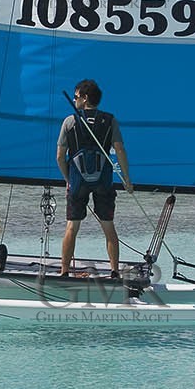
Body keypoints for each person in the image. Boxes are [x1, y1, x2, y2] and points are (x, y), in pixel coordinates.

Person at [58, 79, 133, 276]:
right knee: (108, 226)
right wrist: (127, 180)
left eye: (76, 97)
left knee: (72, 227)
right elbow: (120, 149)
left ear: (84, 98)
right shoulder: (110, 120)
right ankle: (114, 271)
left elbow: (59, 156)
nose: (74, 101)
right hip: (103, 181)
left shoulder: (69, 121)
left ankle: (64, 271)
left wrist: (68, 180)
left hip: (77, 182)